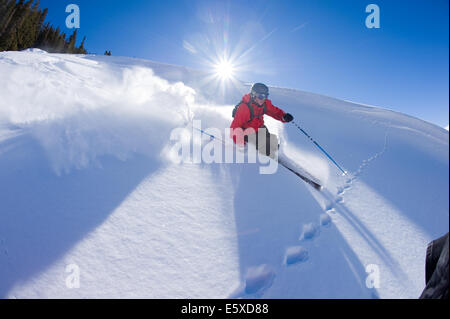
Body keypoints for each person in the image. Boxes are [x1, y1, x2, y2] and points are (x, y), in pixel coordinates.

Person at [230, 83, 293, 159]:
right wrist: (240, 144)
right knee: (266, 149)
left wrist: (283, 116)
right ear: (253, 95)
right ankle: (265, 157)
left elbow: (274, 111)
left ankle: (272, 152)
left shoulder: (265, 104)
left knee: (274, 144)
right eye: (261, 96)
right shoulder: (244, 108)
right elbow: (235, 127)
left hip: (260, 128)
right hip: (248, 132)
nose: (263, 99)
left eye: (265, 96)